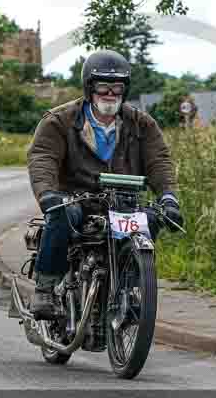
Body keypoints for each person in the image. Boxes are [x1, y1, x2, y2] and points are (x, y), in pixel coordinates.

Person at [26, 49, 184, 320]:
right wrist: (49, 195)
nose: (110, 93)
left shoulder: (142, 124)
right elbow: (42, 158)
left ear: (125, 90)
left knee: (152, 218)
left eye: (117, 87)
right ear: (90, 87)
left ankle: (131, 287)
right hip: (76, 200)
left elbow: (159, 161)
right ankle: (46, 288)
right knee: (62, 215)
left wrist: (168, 197)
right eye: (103, 86)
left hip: (124, 203)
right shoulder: (59, 121)